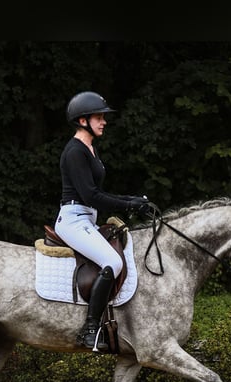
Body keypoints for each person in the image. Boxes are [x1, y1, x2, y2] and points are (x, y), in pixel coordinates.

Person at [55, 91, 151, 351]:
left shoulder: (90, 148)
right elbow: (91, 195)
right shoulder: (75, 151)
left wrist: (133, 199)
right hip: (73, 220)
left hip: (87, 218)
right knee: (112, 261)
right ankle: (89, 330)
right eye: (99, 117)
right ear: (83, 120)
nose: (104, 121)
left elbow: (98, 195)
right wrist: (128, 204)